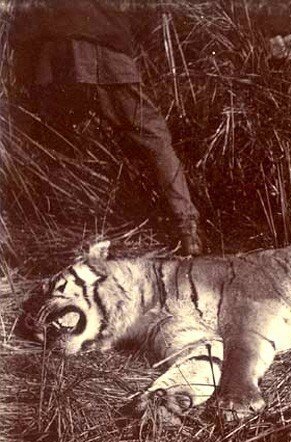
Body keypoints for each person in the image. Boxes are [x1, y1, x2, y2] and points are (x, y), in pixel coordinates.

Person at [9, 0, 203, 255]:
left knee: (58, 144)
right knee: (153, 135)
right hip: (103, 46)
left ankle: (68, 238)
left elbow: (21, 23)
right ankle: (187, 228)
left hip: (52, 54)